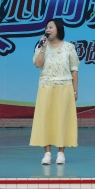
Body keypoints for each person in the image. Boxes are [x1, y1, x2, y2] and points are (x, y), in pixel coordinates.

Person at [29, 19, 80, 165]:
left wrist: (75, 91)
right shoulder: (41, 46)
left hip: (64, 87)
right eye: (47, 27)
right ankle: (47, 153)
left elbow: (74, 70)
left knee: (61, 119)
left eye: (51, 27)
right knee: (46, 119)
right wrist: (43, 48)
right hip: (46, 87)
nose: (48, 30)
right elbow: (38, 64)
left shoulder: (69, 47)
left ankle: (61, 153)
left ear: (58, 29)